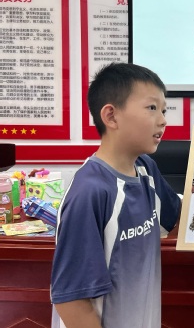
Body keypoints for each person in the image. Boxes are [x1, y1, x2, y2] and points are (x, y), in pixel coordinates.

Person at [50, 62, 182, 328]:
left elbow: (181, 220)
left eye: (164, 110)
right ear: (111, 116)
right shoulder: (90, 191)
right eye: (152, 108)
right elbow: (71, 301)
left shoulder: (145, 168)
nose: (163, 120)